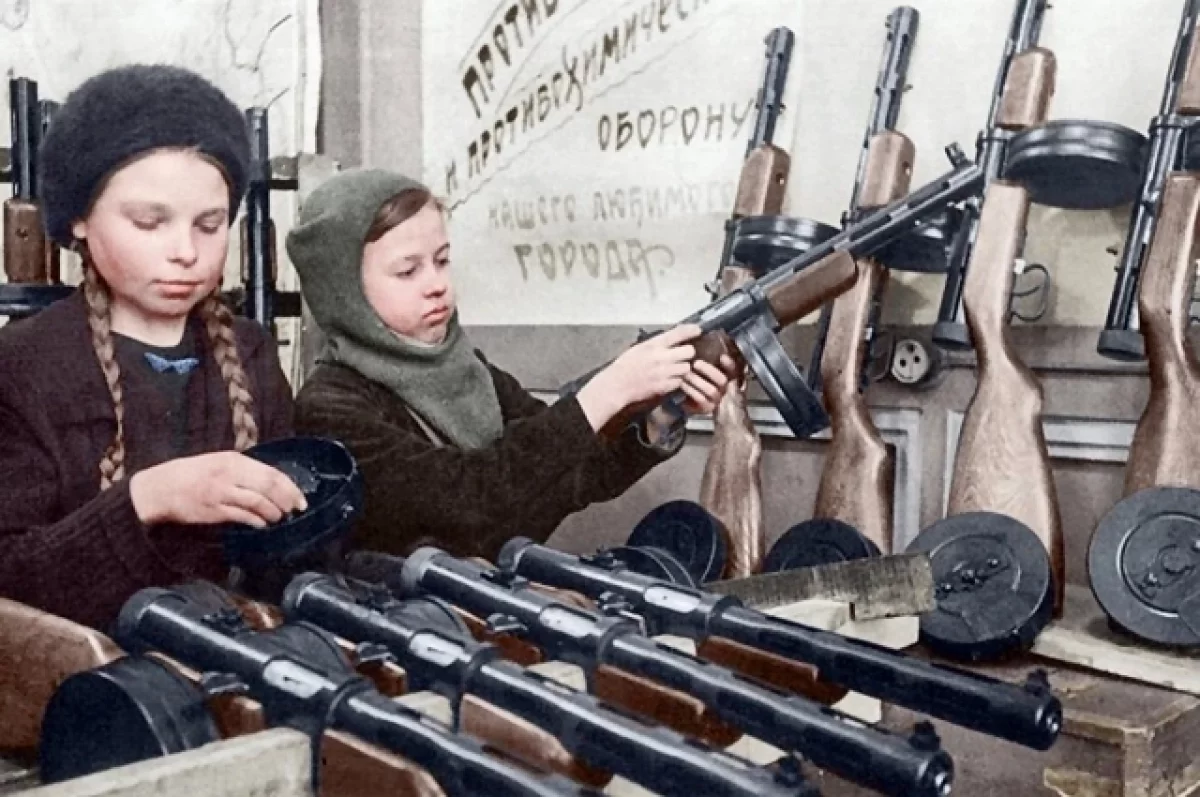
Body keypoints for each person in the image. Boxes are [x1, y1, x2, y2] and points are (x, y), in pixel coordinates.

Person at [287, 168, 736, 562]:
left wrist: (662, 412)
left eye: (442, 261)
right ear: (344, 291)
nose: (436, 285)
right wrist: (608, 391)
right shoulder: (331, 408)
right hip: (402, 619)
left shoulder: (469, 370)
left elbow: (574, 474)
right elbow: (470, 502)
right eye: (408, 271)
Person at [0, 65, 306, 631]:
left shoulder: (251, 353)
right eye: (149, 222)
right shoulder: (22, 366)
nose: (185, 251)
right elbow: (12, 580)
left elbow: (292, 562)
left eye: (209, 225)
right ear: (80, 219)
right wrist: (147, 498)